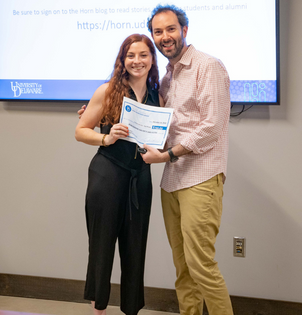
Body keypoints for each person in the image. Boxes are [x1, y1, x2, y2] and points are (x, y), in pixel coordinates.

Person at [140, 5, 234, 315]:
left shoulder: (208, 66)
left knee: (201, 266)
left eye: (170, 29)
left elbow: (212, 127)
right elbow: (157, 122)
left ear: (184, 30)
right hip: (173, 181)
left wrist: (168, 154)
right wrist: (99, 116)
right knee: (183, 268)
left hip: (200, 178)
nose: (164, 37)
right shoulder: (167, 77)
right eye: (158, 31)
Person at [74, 33, 161, 315]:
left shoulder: (156, 95)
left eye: (143, 55)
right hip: (107, 175)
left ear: (152, 59)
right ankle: (98, 309)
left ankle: (131, 310)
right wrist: (106, 138)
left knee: (135, 248)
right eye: (131, 55)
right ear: (122, 60)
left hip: (140, 178)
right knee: (102, 246)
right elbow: (81, 131)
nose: (137, 61)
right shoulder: (107, 90)